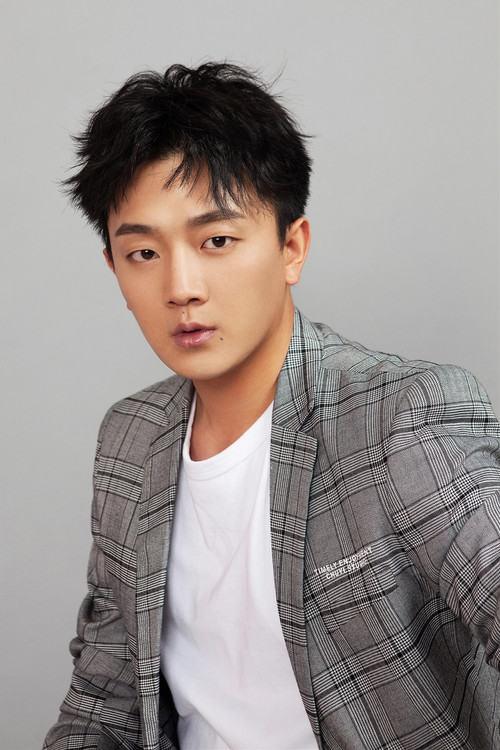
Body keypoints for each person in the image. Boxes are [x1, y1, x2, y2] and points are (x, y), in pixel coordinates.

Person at [44, 62, 500, 750]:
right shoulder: (129, 439)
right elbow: (103, 703)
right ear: (114, 267)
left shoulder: (400, 419)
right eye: (142, 252)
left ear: (291, 247)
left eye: (216, 241)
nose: (181, 286)